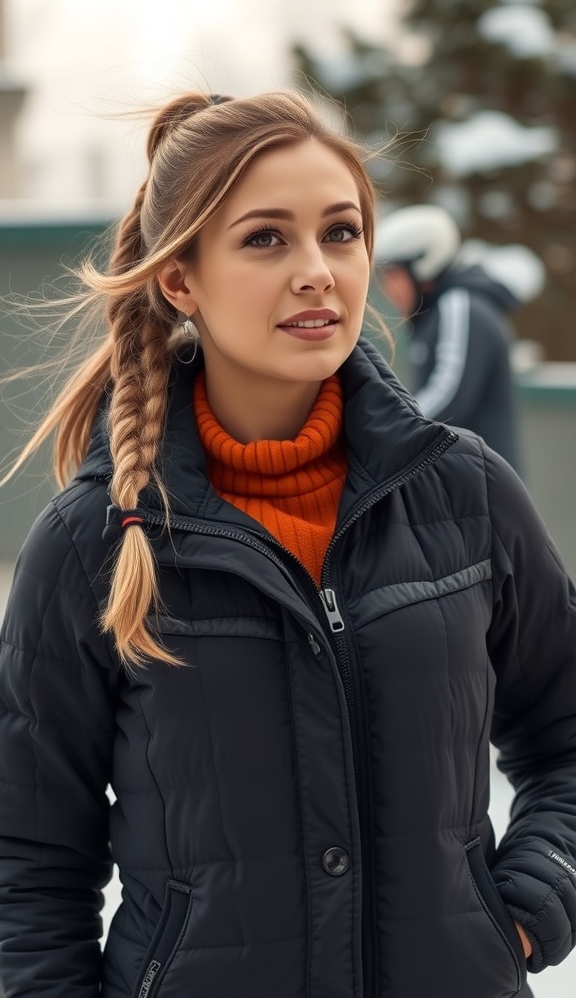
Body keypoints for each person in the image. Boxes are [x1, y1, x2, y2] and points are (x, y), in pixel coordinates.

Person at [0, 90, 575, 998]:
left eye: (340, 233)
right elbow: (25, 867)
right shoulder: (92, 544)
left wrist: (527, 904)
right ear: (179, 279)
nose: (317, 270)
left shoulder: (467, 495)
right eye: (266, 238)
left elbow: (568, 731)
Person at [374, 204, 523, 471]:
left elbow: (447, 396)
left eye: (392, 274)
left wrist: (381, 432)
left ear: (422, 264)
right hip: (470, 485)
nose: (387, 289)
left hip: (484, 489)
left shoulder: (460, 306)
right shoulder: (441, 312)